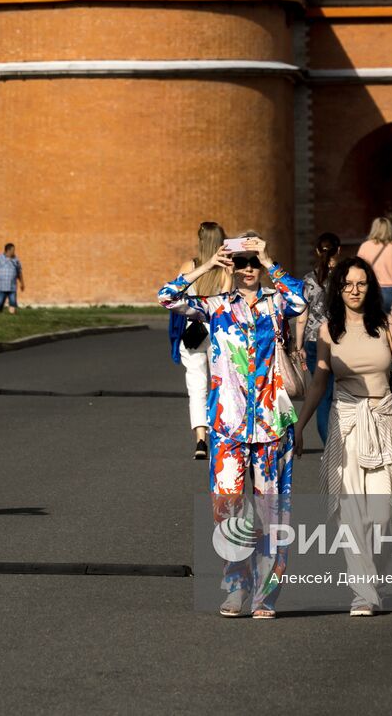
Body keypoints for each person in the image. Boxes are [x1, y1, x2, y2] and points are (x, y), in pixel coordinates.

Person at [158, 233, 306, 619]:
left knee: (273, 513)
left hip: (271, 425)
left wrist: (269, 257)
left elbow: (301, 299)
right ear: (233, 268)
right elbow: (167, 297)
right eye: (242, 264)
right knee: (228, 511)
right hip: (227, 425)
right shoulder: (218, 306)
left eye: (253, 264)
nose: (248, 271)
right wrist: (208, 266)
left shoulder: (276, 304)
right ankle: (237, 586)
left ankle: (267, 595)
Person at [295, 256, 392, 615]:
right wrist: (300, 426)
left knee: (382, 515)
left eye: (361, 283)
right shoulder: (328, 330)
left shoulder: (385, 324)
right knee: (351, 514)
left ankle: (372, 579)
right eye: (347, 284)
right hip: (346, 423)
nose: (354, 290)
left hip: (382, 420)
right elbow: (319, 382)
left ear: (370, 288)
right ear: (338, 288)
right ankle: (363, 593)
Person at [171, 222, 230, 460]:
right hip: (217, 329)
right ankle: (221, 432)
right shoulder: (226, 269)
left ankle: (201, 440)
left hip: (192, 329)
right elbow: (226, 301)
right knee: (222, 383)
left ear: (200, 240)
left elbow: (174, 293)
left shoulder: (190, 266)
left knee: (196, 386)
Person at [296, 232, 341, 447]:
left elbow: (301, 317)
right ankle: (340, 443)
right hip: (341, 339)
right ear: (338, 250)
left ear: (316, 251)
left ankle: (330, 444)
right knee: (342, 393)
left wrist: (298, 346)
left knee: (322, 395)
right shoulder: (345, 277)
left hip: (313, 340)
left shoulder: (307, 280)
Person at [358, 216, 392, 313]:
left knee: (372, 323)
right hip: (391, 291)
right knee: (390, 323)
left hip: (371, 289)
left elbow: (359, 269)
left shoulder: (365, 246)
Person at [0, 243, 23, 313]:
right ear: (8, 250)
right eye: (13, 250)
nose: (14, 252)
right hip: (1, 286)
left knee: (12, 303)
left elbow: (19, 272)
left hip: (12, 287)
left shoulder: (16, 260)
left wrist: (22, 283)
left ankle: (12, 312)